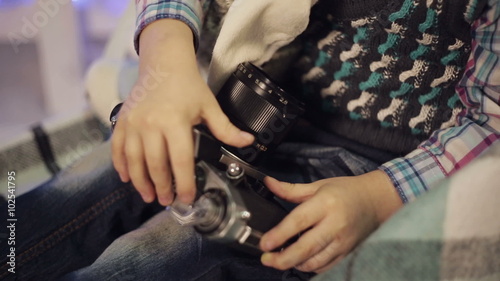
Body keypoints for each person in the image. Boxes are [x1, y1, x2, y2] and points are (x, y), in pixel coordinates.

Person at [1, 0, 498, 280]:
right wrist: (165, 56)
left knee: (156, 252)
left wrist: (379, 197)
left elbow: (489, 119)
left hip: (375, 167)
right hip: (245, 104)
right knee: (93, 178)